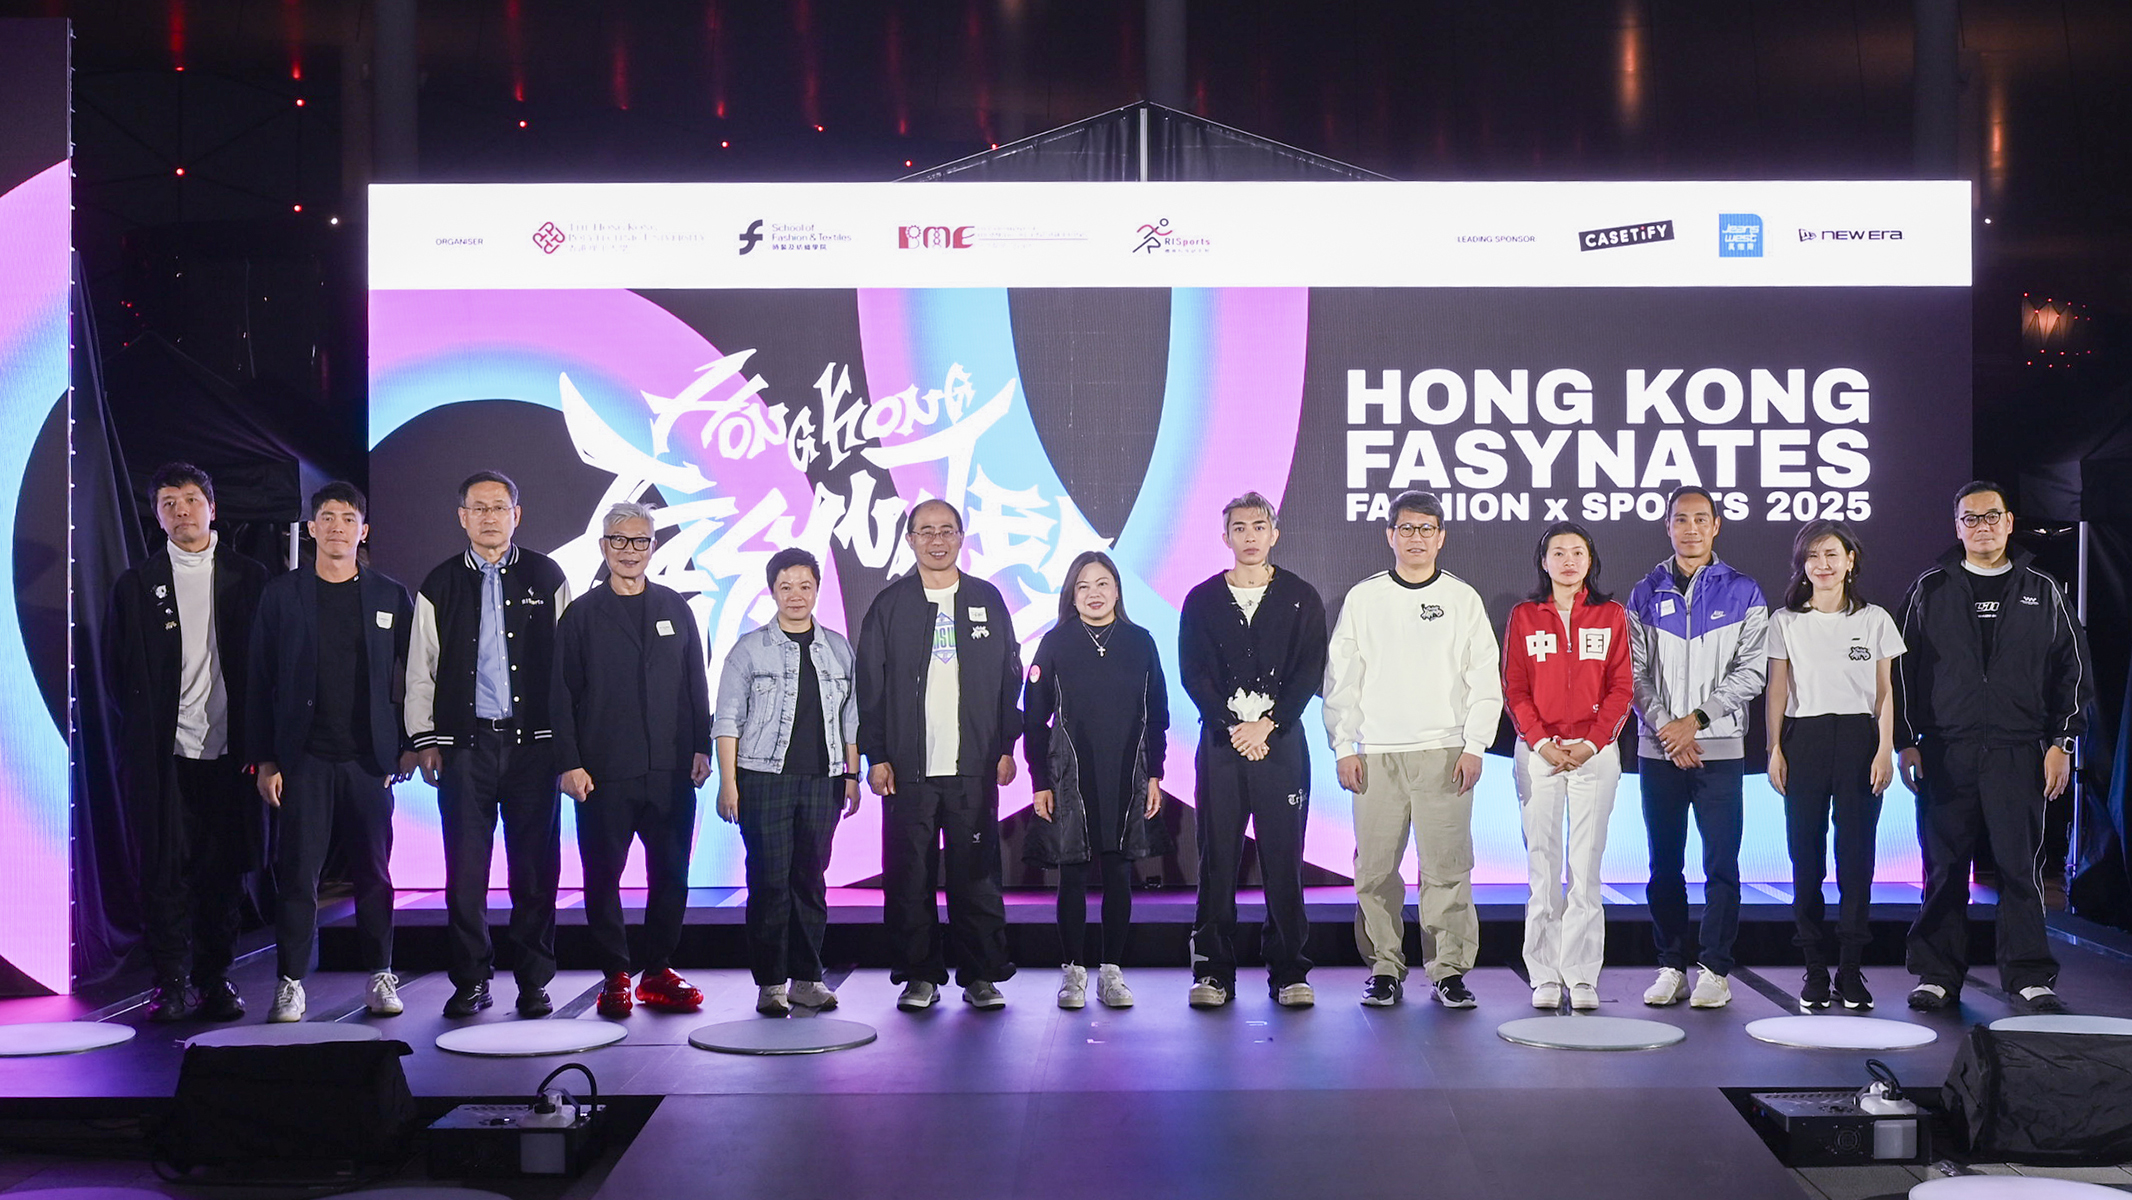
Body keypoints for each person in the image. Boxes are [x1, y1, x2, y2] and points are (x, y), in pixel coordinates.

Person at [1895, 481, 2093, 1015]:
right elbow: (1901, 672)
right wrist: (1905, 742)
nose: (1981, 527)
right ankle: (1937, 975)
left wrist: (2060, 743)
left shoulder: (2043, 589)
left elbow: (2072, 673)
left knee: (2019, 869)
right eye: (1970, 519)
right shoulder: (1930, 588)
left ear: (2009, 523)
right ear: (1956, 527)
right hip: (1945, 751)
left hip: (2019, 750)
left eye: (1991, 517)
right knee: (1944, 867)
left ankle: (2028, 976)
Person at [1324, 490, 1502, 1009]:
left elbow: (1483, 679)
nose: (1417, 538)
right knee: (1375, 869)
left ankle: (1448, 970)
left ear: (1441, 536)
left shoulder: (1462, 598)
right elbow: (1342, 680)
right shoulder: (1364, 598)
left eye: (1427, 529)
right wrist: (1343, 745)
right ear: (1390, 536)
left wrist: (1475, 745)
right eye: (1407, 529)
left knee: (1447, 867)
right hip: (1375, 753)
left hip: (1444, 751)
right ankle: (1384, 966)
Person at [405, 471, 571, 1019]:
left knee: (534, 872)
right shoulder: (439, 582)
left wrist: (568, 748)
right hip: (464, 748)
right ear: (462, 517)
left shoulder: (547, 576)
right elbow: (420, 670)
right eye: (478, 508)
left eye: (499, 508)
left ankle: (533, 980)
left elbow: (570, 668)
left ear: (516, 515)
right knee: (465, 874)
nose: (489, 517)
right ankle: (472, 980)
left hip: (533, 750)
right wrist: (426, 740)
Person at [248, 482, 416, 1023]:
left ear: (362, 530)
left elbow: (416, 677)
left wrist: (410, 744)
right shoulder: (281, 594)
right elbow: (259, 679)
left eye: (349, 517)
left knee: (374, 873)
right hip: (305, 759)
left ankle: (381, 974)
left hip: (370, 759)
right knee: (299, 875)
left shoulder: (391, 595)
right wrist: (266, 759)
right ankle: (291, 982)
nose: (338, 526)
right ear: (312, 528)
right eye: (328, 517)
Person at [106, 462, 267, 1022]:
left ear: (213, 507)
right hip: (162, 756)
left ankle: (215, 978)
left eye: (191, 500)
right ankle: (170, 981)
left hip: (231, 752)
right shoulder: (135, 585)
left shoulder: (252, 578)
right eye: (168, 503)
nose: (181, 512)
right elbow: (113, 673)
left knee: (223, 869)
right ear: (156, 515)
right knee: (164, 868)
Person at [857, 499, 1023, 1012]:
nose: (936, 540)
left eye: (946, 530)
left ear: (960, 537)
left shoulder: (986, 599)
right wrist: (876, 755)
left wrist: (1004, 746)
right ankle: (920, 975)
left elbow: (1008, 679)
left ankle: (981, 975)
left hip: (973, 764)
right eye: (925, 531)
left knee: (977, 877)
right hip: (908, 769)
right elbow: (870, 685)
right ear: (909, 539)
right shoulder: (890, 605)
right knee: (910, 877)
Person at [552, 501, 713, 1018]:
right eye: (618, 541)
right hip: (602, 773)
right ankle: (615, 974)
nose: (629, 550)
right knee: (604, 876)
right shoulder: (581, 615)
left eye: (639, 541)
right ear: (603, 548)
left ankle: (658, 970)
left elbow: (696, 685)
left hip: (669, 770)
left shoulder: (675, 607)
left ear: (652, 547)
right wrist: (569, 762)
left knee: (672, 873)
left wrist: (700, 746)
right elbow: (560, 695)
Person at [1179, 491, 1327, 1009]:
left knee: (1284, 861)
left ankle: (1289, 971)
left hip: (1281, 745)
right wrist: (1232, 725)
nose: (1249, 536)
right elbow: (1192, 672)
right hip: (1221, 745)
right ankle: (1214, 971)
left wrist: (1268, 724)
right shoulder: (1200, 599)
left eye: (1258, 526)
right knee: (1217, 859)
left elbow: (1310, 670)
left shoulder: (1301, 597)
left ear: (1274, 533)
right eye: (1238, 527)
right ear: (1225, 538)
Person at [1626, 485, 1769, 1010]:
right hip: (1659, 749)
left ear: (1716, 526)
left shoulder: (1744, 591)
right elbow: (1634, 674)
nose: (1690, 528)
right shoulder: (1644, 592)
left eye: (1700, 519)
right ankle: (1670, 966)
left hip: (1720, 749)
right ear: (1668, 526)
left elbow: (1752, 670)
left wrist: (1698, 721)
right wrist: (1670, 728)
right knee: (1663, 864)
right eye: (1680, 519)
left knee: (1721, 864)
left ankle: (1715, 968)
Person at [1765, 520, 1905, 1012]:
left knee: (1856, 860)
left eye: (1832, 555)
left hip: (1859, 739)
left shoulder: (1875, 619)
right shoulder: (1785, 621)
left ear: (1850, 561)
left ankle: (1849, 969)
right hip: (1804, 739)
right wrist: (1775, 748)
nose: (1822, 565)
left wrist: (1885, 747)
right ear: (1802, 566)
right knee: (1806, 858)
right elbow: (1778, 691)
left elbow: (1886, 692)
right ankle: (1815, 970)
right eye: (1812, 557)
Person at [714, 547, 860, 1017]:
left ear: (817, 589)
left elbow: (852, 718)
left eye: (805, 586)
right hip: (762, 779)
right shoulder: (749, 648)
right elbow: (727, 719)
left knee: (810, 881)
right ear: (772, 590)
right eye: (785, 586)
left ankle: (807, 978)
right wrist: (728, 783)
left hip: (825, 780)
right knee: (769, 882)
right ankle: (771, 982)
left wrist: (852, 775)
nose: (796, 595)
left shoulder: (838, 647)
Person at [1024, 551, 1170, 1011]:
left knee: (1121, 874)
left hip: (1128, 773)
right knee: (1072, 875)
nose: (1094, 594)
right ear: (1072, 593)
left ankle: (1111, 971)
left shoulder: (1140, 641)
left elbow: (1158, 715)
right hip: (1070, 777)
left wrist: (1156, 773)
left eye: (1103, 583)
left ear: (1117, 590)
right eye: (1083, 586)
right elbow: (1033, 718)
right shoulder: (1055, 643)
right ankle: (1072, 972)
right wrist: (1040, 779)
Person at [1501, 521, 1633, 1012]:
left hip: (1594, 755)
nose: (1569, 561)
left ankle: (1581, 975)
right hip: (1539, 755)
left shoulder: (1611, 615)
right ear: (1544, 562)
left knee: (1586, 868)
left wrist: (1591, 744)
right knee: (1543, 866)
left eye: (1578, 552)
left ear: (1590, 560)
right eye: (1559, 553)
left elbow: (1622, 688)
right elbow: (1514, 687)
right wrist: (1542, 743)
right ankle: (1544, 974)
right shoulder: (1524, 616)